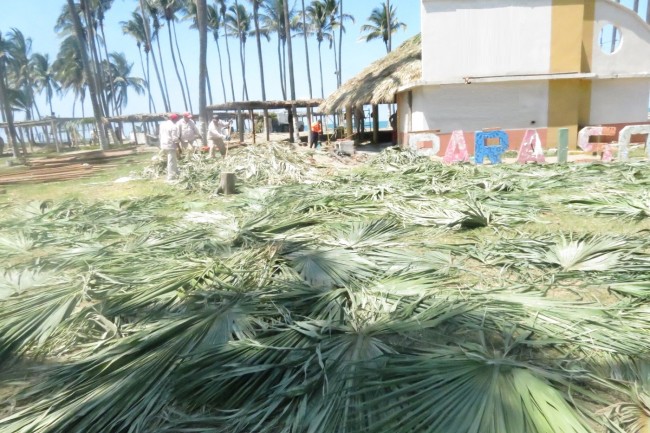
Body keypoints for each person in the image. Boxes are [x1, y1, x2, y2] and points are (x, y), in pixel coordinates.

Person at [159, 113, 181, 181]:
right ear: (175, 119)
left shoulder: (162, 125)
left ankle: (176, 172)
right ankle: (171, 177)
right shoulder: (173, 126)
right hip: (170, 145)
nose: (177, 121)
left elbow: (160, 135)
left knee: (172, 160)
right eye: (177, 119)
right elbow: (174, 138)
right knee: (171, 161)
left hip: (163, 144)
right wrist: (179, 147)